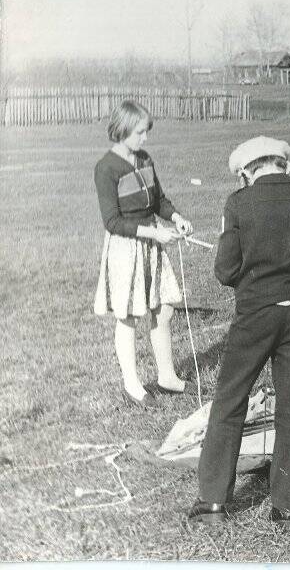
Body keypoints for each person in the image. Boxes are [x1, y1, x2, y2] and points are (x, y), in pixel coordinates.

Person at [189, 136, 290, 526]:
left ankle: (212, 504)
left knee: (230, 402)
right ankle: (288, 507)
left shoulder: (239, 202)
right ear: (284, 164)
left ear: (247, 172)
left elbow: (226, 272)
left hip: (255, 314)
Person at [93, 100, 195, 407]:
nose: (145, 138)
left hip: (152, 241)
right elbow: (112, 221)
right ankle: (132, 384)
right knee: (128, 316)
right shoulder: (106, 168)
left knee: (164, 308)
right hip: (127, 247)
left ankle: (167, 377)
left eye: (146, 132)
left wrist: (176, 217)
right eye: (140, 132)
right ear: (122, 130)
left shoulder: (145, 158)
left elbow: (158, 200)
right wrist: (155, 233)